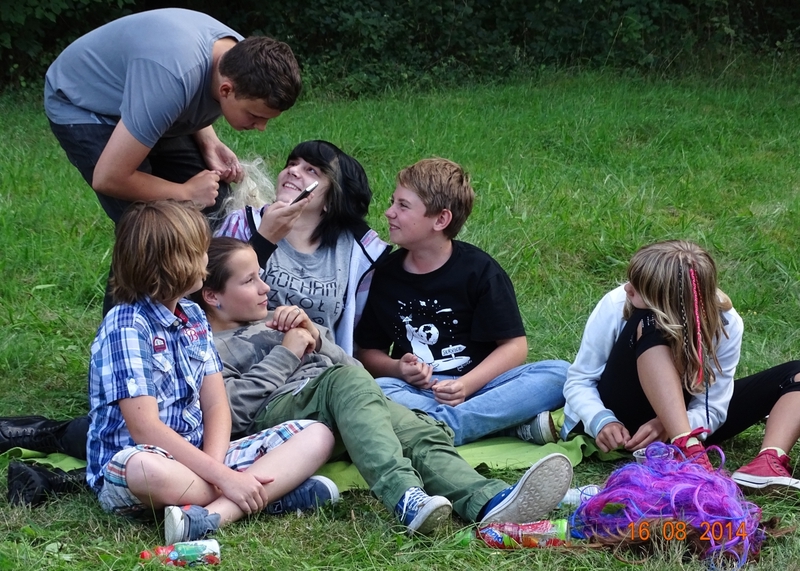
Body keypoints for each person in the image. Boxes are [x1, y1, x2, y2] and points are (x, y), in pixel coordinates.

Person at [192, 236, 573, 534]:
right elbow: (232, 411)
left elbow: (355, 370)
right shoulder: (206, 345)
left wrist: (316, 337)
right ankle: (403, 494)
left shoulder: (279, 319)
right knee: (351, 385)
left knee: (417, 431)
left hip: (339, 404)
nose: (265, 288)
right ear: (212, 296)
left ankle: (488, 501)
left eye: (261, 275)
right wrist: (288, 353)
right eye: (249, 281)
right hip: (282, 423)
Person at [84, 200, 336, 545]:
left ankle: (211, 517)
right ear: (176, 263)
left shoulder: (193, 316)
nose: (207, 259)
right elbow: (145, 429)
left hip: (201, 457)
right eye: (200, 251)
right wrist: (224, 477)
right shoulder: (127, 326)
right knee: (144, 469)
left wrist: (217, 469)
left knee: (317, 435)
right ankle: (268, 494)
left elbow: (216, 405)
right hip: (139, 464)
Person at [44, 8, 302, 314]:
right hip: (86, 105)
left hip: (147, 100)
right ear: (226, 90)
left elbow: (180, 95)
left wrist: (208, 141)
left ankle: (200, 327)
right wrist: (184, 193)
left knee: (213, 207)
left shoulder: (244, 61)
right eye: (256, 116)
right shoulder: (172, 77)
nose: (261, 127)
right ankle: (125, 335)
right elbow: (109, 177)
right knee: (155, 233)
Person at [353, 158, 569, 446]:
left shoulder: (480, 271)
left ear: (441, 220)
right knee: (378, 389)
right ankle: (494, 426)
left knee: (560, 374)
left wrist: (466, 385)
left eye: (403, 206)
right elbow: (367, 352)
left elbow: (515, 347)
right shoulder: (383, 275)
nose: (389, 212)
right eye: (393, 202)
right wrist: (397, 369)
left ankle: (440, 427)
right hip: (416, 392)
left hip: (482, 387)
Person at [561, 240, 800, 487]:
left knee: (796, 372)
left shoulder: (727, 323)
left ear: (670, 301)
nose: (627, 289)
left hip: (686, 425)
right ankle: (686, 445)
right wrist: (601, 419)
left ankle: (767, 461)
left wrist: (668, 424)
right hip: (620, 417)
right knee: (649, 322)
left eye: (638, 287)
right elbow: (579, 380)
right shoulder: (616, 303)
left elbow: (714, 407)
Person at [216, 140, 391, 354]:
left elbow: (355, 335)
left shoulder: (357, 252)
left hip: (317, 364)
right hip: (245, 359)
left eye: (311, 170)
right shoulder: (243, 223)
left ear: (332, 200)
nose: (293, 171)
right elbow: (213, 293)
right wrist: (264, 239)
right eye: (292, 163)